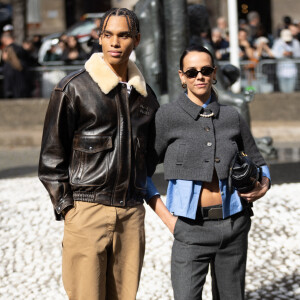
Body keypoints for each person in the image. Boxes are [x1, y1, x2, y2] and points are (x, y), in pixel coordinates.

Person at [38, 8, 159, 300]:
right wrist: (69, 208)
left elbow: (150, 157)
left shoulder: (146, 98)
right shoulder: (73, 89)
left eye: (123, 35)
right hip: (86, 210)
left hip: (131, 215)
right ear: (100, 38)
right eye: (108, 35)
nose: (115, 42)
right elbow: (51, 159)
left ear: (137, 40)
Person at [147, 45, 271, 300]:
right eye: (192, 72)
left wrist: (264, 184)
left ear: (214, 73)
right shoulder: (167, 116)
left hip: (235, 225)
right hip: (189, 229)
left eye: (205, 70)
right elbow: (141, 173)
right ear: (182, 76)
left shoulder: (231, 116)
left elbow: (258, 160)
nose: (199, 76)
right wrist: (169, 220)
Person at [1, 32, 30, 98]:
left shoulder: (8, 67)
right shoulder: (22, 63)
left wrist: (8, 92)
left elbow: (8, 83)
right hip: (23, 91)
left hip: (13, 93)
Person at [272, 28, 300, 93]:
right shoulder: (278, 42)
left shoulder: (295, 43)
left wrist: (292, 53)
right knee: (283, 91)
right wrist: (282, 54)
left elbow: (298, 53)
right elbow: (274, 54)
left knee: (291, 90)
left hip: (292, 70)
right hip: (281, 70)